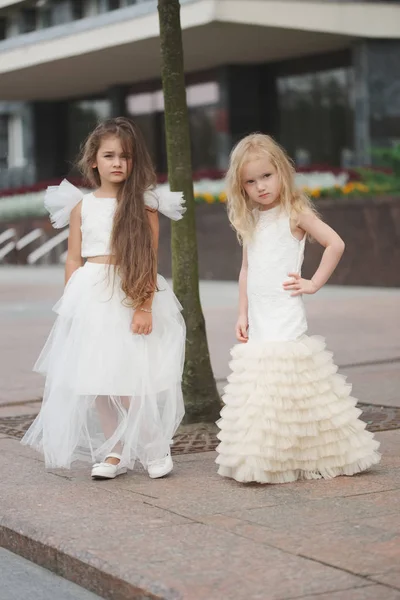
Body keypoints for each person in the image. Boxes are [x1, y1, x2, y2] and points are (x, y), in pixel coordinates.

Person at [22, 117, 186, 481]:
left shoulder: (144, 205)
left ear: (133, 162)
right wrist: (71, 304)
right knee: (96, 378)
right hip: (91, 294)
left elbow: (149, 257)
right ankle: (114, 451)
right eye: (109, 155)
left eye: (124, 157)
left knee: (129, 376)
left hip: (130, 291)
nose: (117, 162)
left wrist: (144, 306)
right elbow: (73, 258)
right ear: (93, 161)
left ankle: (152, 445)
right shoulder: (82, 205)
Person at [216, 133, 380, 483]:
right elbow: (246, 269)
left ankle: (307, 452)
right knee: (262, 383)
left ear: (281, 172)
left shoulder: (295, 213)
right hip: (259, 313)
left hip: (284, 310)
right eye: (251, 181)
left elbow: (335, 243)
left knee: (290, 379)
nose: (260, 186)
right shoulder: (250, 220)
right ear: (240, 185)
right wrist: (242, 313)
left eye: (266, 176)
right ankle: (262, 458)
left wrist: (314, 282)